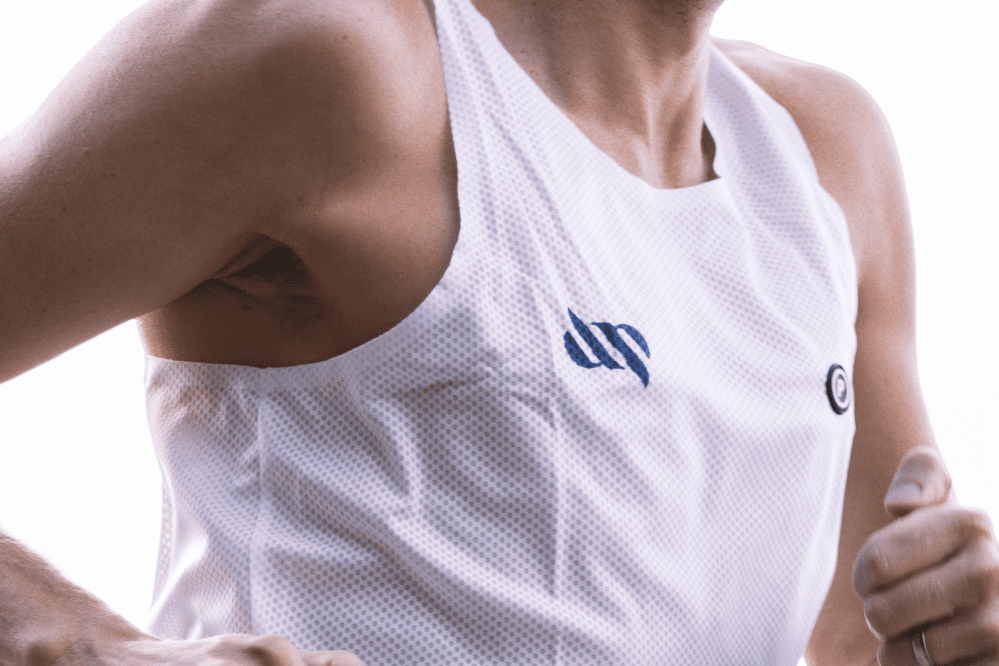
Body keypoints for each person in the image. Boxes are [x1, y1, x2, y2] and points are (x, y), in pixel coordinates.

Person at [1, 0, 997, 664]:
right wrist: (83, 644)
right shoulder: (326, 55)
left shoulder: (829, 152)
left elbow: (863, 638)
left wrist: (961, 623)